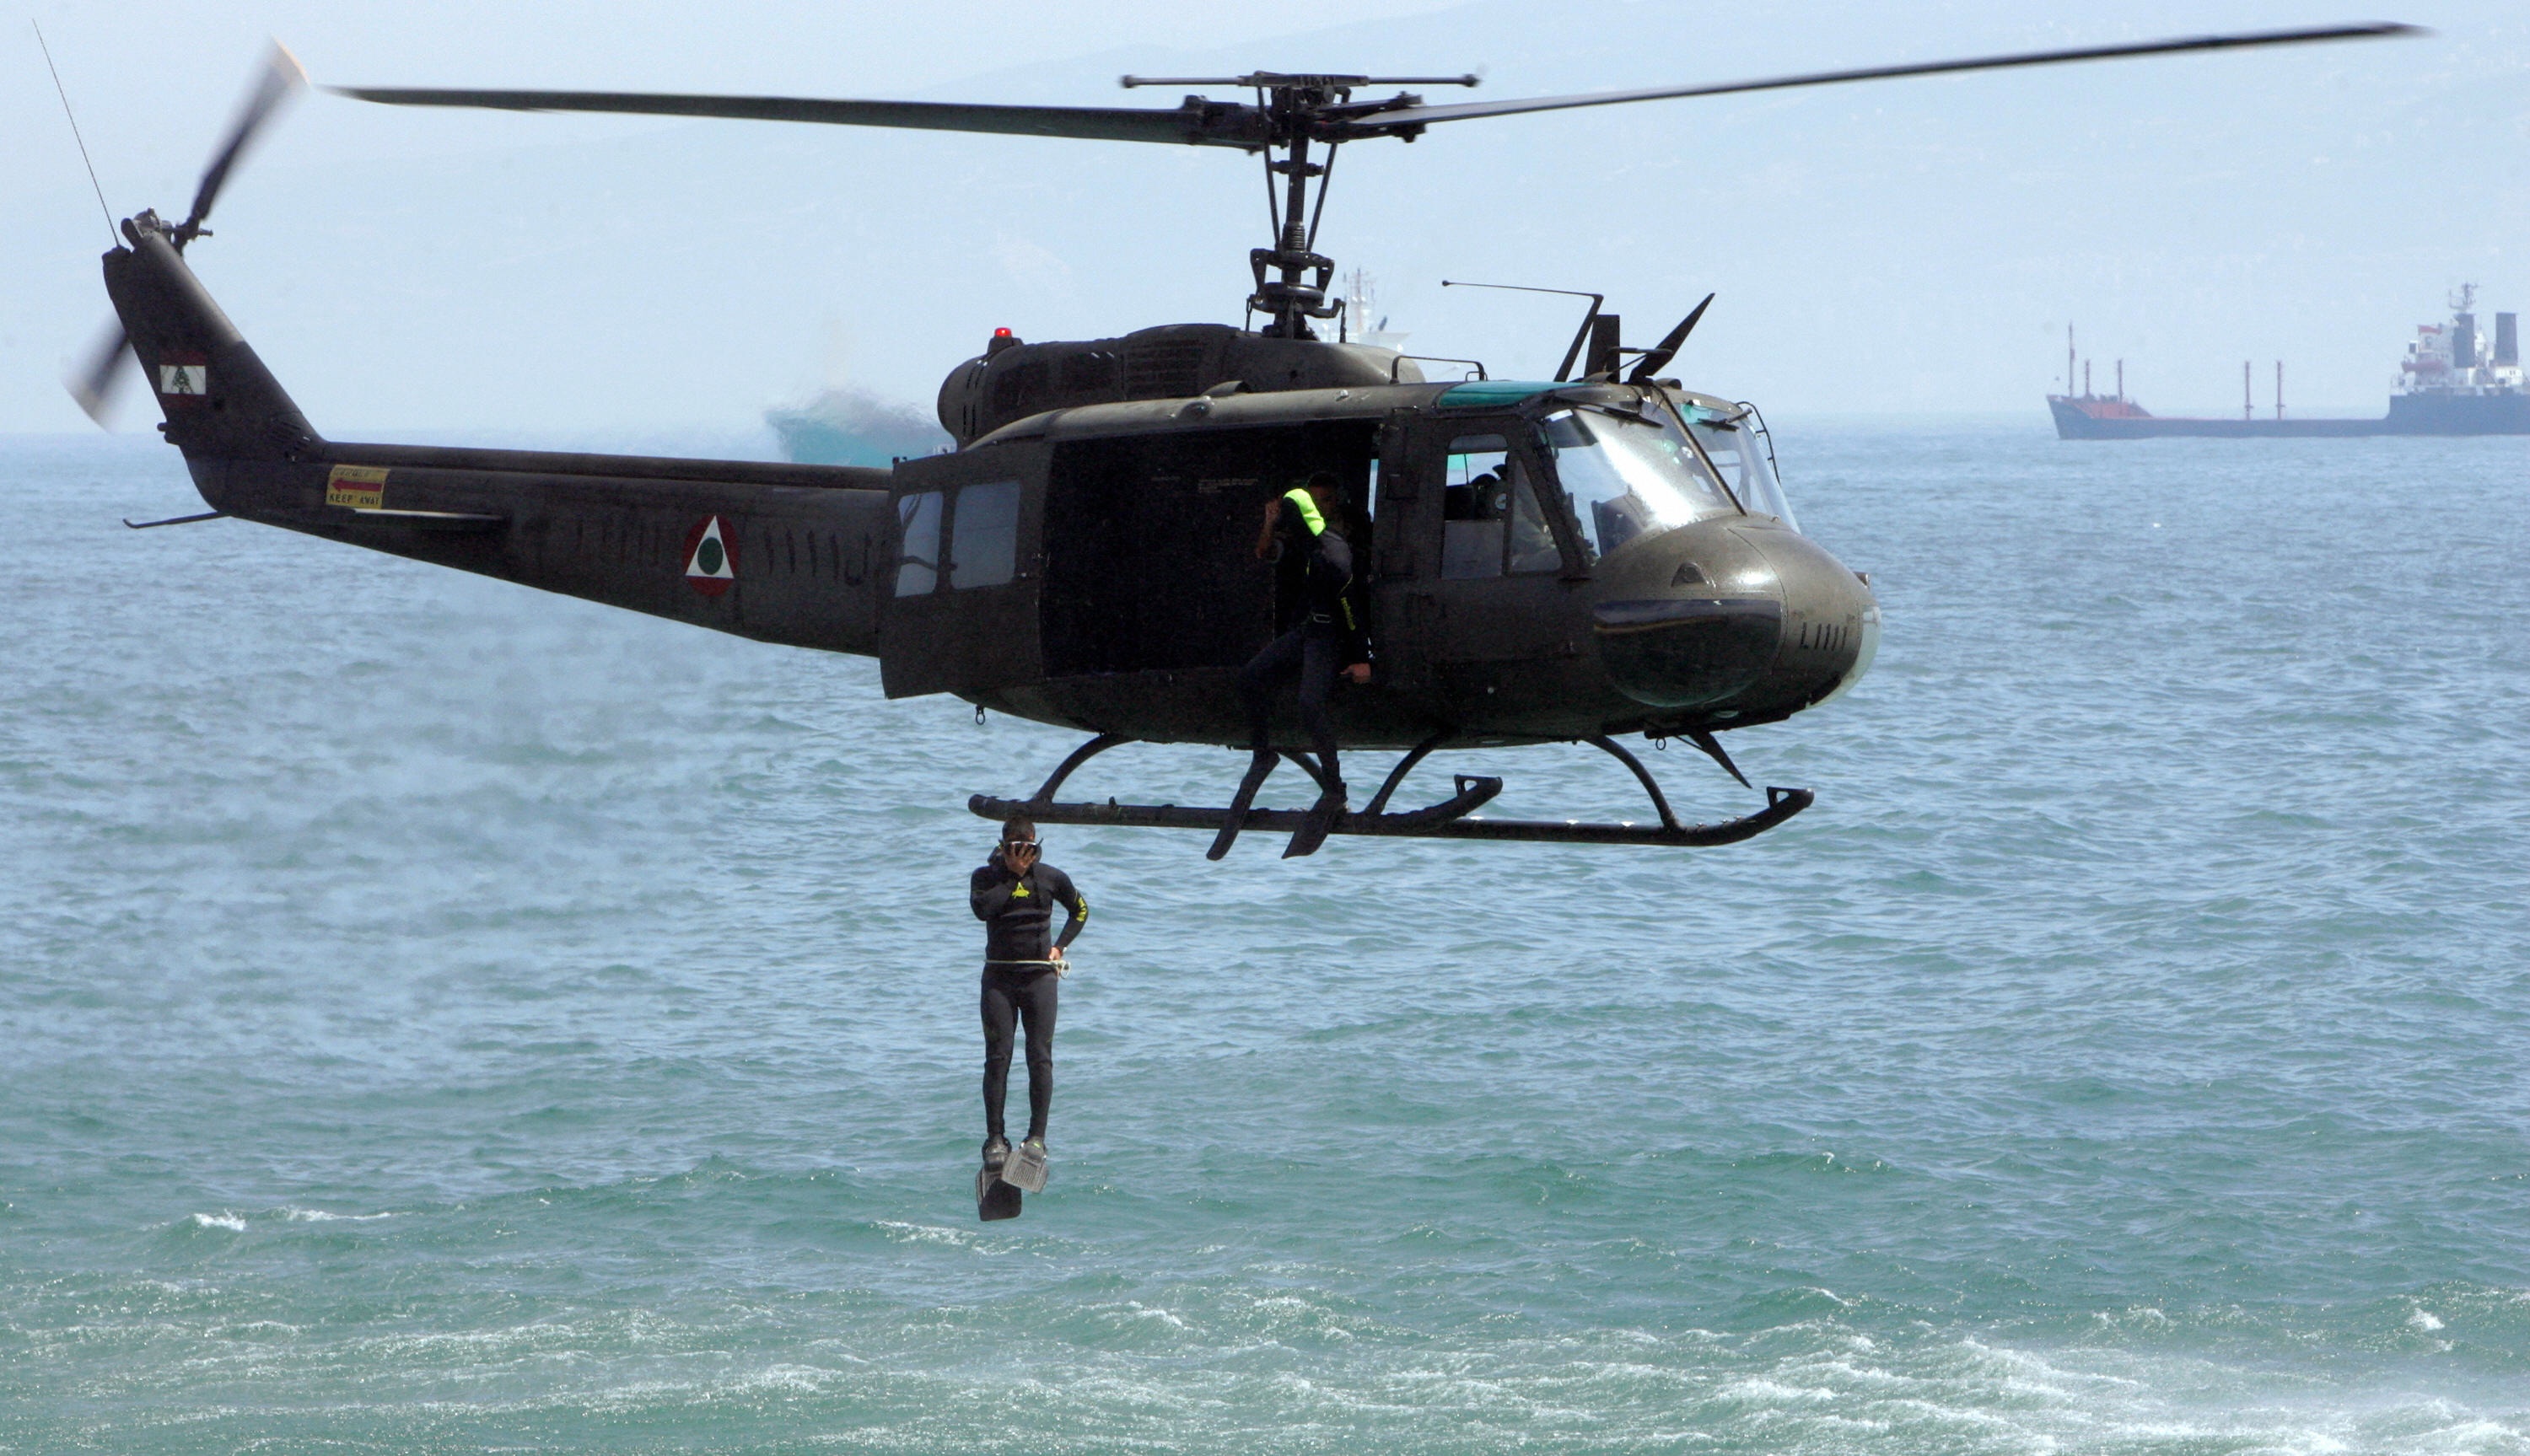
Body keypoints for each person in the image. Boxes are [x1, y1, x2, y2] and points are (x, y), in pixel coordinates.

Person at [1215, 471, 1370, 857]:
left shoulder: (1339, 547)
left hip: (1332, 634)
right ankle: (1263, 753)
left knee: (1309, 703)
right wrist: (1271, 522)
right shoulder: (1310, 541)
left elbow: (1351, 609)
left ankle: (1334, 787)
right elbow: (1269, 551)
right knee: (1251, 677)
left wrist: (1361, 658)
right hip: (1308, 629)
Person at [968, 816, 1087, 1173]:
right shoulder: (986, 877)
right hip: (999, 979)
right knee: (998, 1058)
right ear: (1002, 847)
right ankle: (995, 1139)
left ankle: (1036, 1138)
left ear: (1036, 845)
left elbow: (1081, 910)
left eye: (1028, 850)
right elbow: (981, 910)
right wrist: (1012, 874)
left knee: (1039, 1057)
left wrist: (1060, 947)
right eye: (1014, 849)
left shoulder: (1052, 877)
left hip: (1039, 978)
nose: (1023, 855)